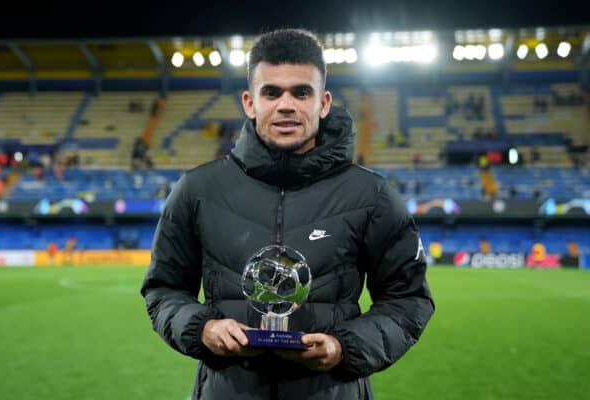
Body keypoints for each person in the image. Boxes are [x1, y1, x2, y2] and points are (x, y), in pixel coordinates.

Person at [140, 28, 434, 400]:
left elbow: (408, 299)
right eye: (271, 92)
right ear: (250, 102)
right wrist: (201, 329)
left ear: (323, 103)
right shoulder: (198, 190)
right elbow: (163, 289)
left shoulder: (371, 195)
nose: (286, 105)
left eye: (301, 92)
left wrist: (345, 347)